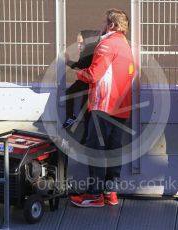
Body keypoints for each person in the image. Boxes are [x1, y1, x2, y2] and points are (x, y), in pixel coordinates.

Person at [69, 8, 134, 208]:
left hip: (104, 104)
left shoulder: (106, 43)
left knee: (95, 149)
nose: (102, 26)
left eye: (105, 22)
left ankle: (94, 195)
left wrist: (78, 73)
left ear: (112, 25)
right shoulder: (125, 44)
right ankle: (110, 192)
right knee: (114, 150)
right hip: (122, 106)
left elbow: (94, 75)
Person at [63, 30, 100, 145]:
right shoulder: (87, 51)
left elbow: (79, 66)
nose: (78, 45)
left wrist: (68, 61)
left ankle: (85, 136)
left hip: (88, 83)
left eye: (80, 42)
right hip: (84, 81)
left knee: (86, 111)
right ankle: (71, 117)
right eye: (77, 43)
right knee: (71, 95)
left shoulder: (89, 52)